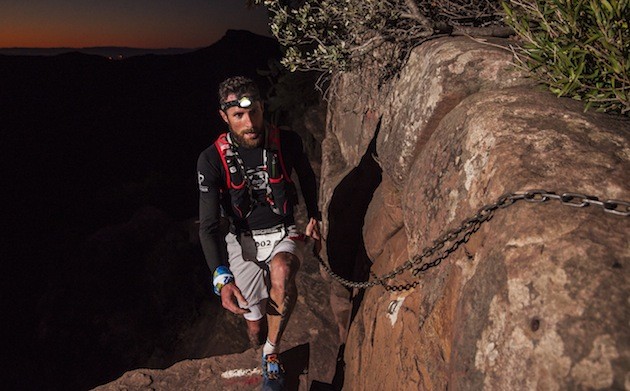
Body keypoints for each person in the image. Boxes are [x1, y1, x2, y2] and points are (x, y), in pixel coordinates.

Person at [197, 76, 321, 389]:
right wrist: (221, 278)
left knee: (282, 272)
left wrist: (316, 216)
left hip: (283, 230)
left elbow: (306, 176)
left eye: (254, 112)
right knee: (254, 325)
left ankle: (271, 354)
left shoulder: (286, 141)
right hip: (242, 240)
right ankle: (261, 341)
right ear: (224, 116)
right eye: (238, 115)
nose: (249, 122)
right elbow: (209, 225)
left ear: (263, 108)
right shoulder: (212, 159)